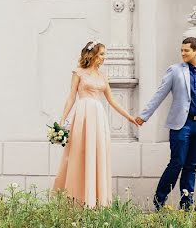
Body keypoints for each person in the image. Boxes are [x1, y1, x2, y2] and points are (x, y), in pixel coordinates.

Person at [53, 41, 141, 208]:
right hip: (82, 115)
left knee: (97, 154)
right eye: (101, 54)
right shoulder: (78, 72)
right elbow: (71, 97)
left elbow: (112, 100)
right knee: (78, 154)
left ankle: (95, 201)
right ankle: (76, 200)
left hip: (98, 117)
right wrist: (62, 119)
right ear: (92, 54)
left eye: (104, 54)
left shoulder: (102, 77)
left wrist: (129, 117)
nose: (103, 58)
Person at [135, 37, 196, 210]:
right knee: (177, 162)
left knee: (191, 166)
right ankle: (160, 200)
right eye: (181, 50)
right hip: (181, 125)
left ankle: (187, 204)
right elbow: (160, 94)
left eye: (186, 50)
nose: (183, 53)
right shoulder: (175, 71)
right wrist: (144, 116)